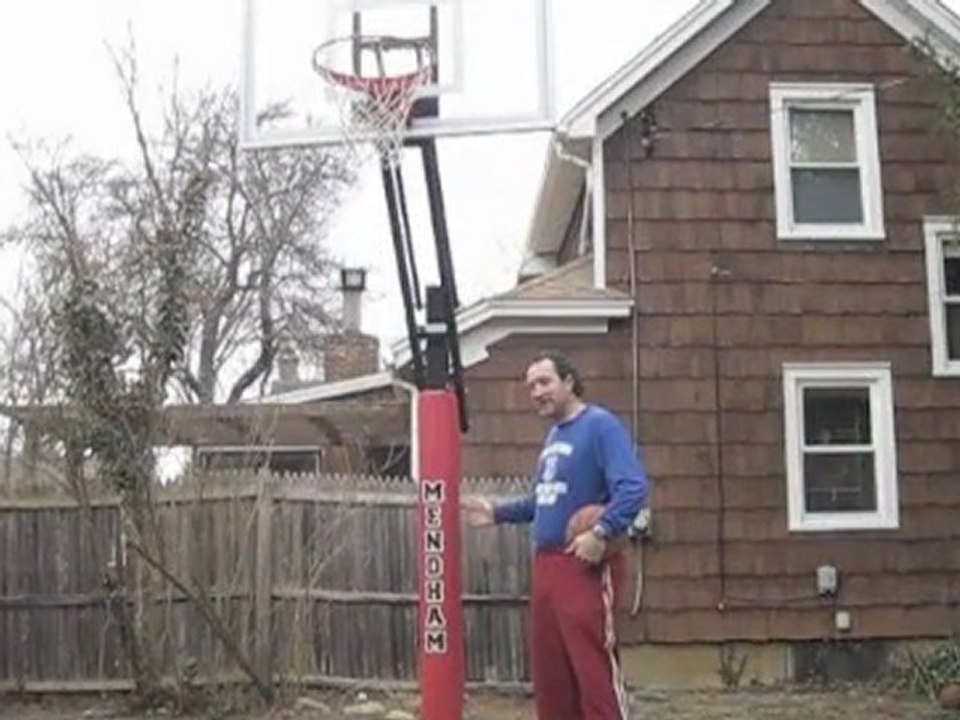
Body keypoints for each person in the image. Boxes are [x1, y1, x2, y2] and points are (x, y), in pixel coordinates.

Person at [463, 350, 649, 720]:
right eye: (531, 385)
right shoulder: (554, 437)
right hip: (546, 567)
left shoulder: (600, 426)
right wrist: (498, 513)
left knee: (593, 673)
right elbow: (545, 500)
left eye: (544, 382)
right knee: (553, 679)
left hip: (584, 566)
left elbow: (633, 487)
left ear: (569, 382)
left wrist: (600, 531)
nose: (536, 391)